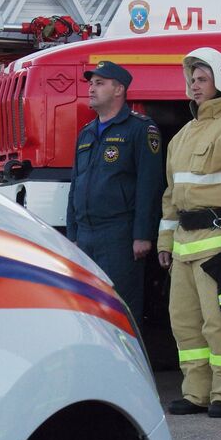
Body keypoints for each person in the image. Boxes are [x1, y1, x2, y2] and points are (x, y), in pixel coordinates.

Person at [158, 48, 221, 417]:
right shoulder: (182, 136)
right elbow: (171, 196)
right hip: (185, 245)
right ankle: (195, 393)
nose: (194, 86)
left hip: (219, 244)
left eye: (202, 79)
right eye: (192, 79)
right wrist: (165, 242)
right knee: (186, 326)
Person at [66, 60, 165, 319]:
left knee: (121, 310)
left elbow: (149, 184)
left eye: (99, 83)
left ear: (119, 89)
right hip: (86, 235)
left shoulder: (140, 129)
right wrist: (72, 234)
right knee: (89, 309)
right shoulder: (86, 133)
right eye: (91, 83)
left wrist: (142, 234)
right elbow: (75, 184)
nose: (91, 88)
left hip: (118, 236)